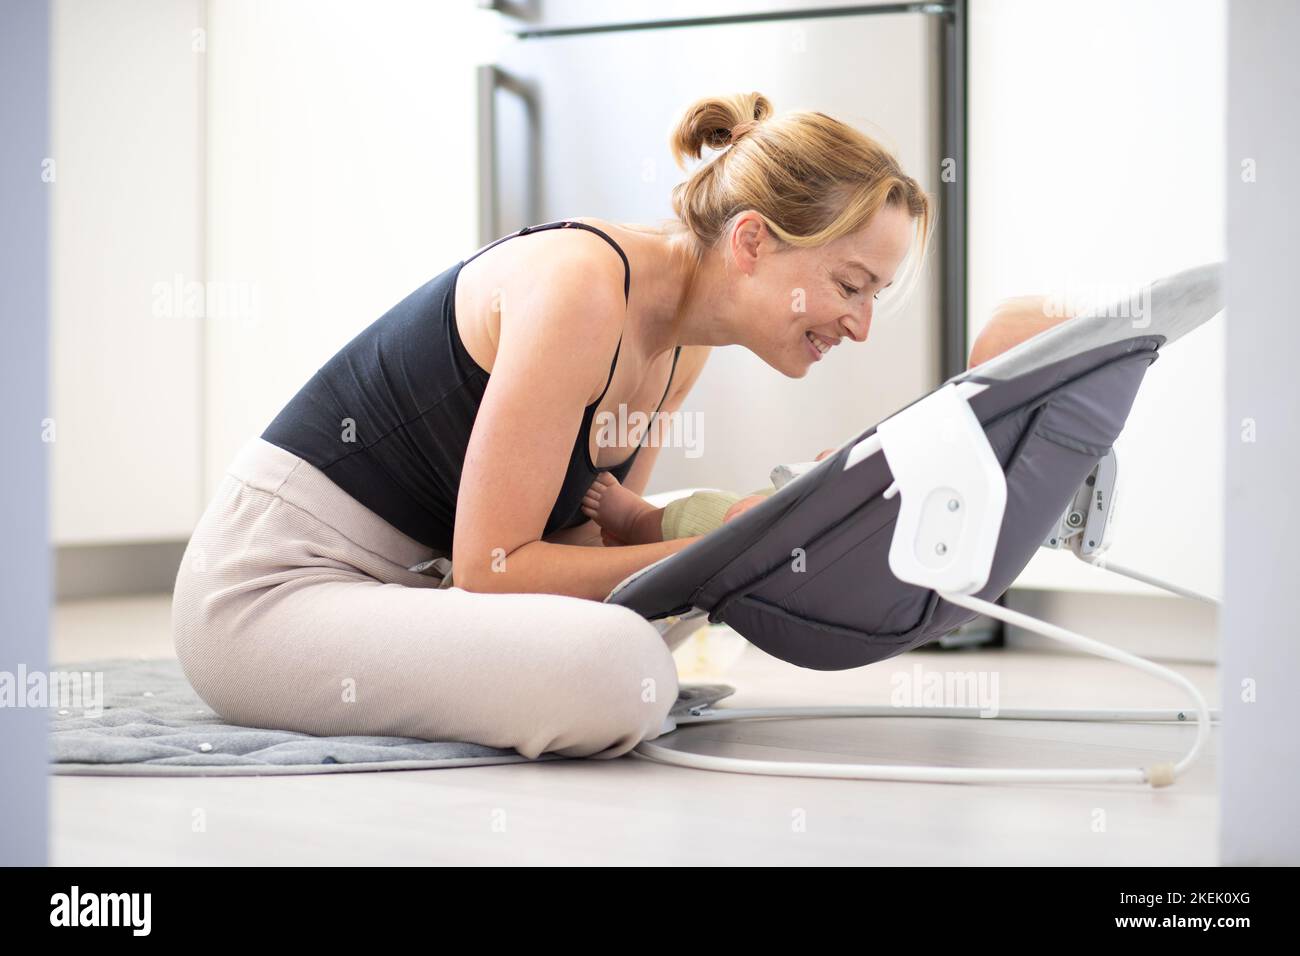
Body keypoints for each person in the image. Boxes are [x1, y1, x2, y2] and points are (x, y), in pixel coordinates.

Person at [171, 91, 943, 761]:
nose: (862, 324)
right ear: (751, 241)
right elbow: (496, 570)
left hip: (406, 590)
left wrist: (772, 530)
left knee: (656, 588)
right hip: (267, 597)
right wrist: (726, 551)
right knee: (619, 673)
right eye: (852, 285)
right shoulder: (582, 289)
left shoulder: (682, 351)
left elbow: (586, 551)